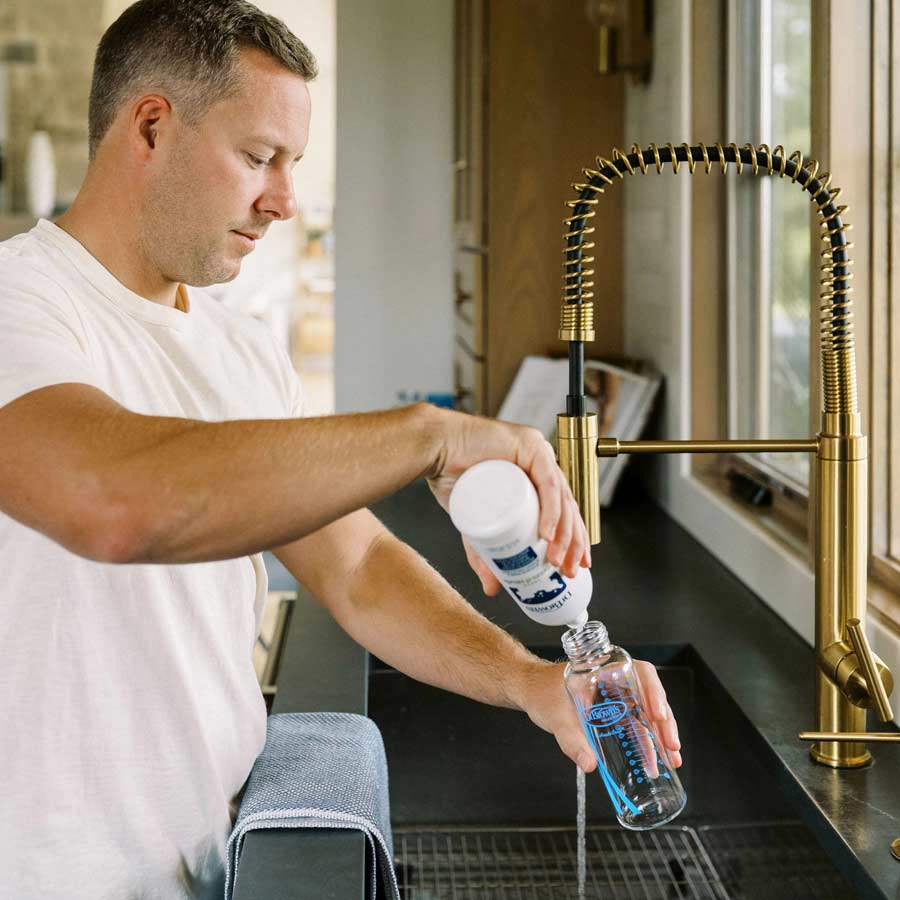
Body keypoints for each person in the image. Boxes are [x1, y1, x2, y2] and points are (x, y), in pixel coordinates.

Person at [0, 2, 682, 897]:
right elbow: (112, 500)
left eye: (291, 165)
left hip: (203, 864)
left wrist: (530, 681)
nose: (283, 200)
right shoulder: (22, 305)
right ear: (153, 126)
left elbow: (356, 566)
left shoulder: (240, 351)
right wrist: (429, 434)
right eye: (258, 158)